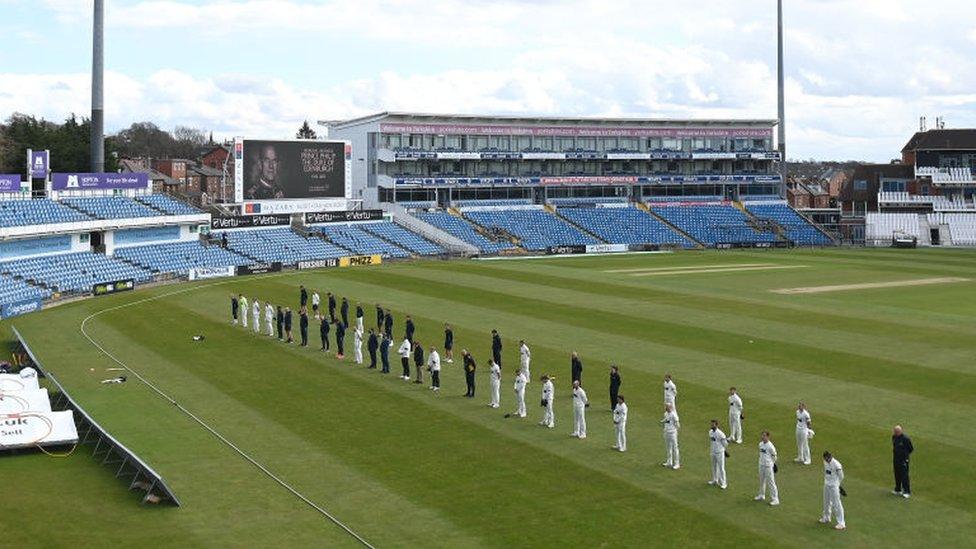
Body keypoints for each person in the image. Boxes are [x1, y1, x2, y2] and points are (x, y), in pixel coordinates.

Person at [820, 451, 846, 530]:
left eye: (827, 458)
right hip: (827, 484)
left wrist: (837, 484)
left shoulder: (837, 464)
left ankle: (841, 523)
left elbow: (841, 476)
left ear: (830, 457)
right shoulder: (825, 462)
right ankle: (826, 517)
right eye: (825, 459)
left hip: (834, 486)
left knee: (836, 503)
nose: (826, 460)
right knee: (826, 501)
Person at [755, 430, 780, 505]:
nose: (762, 437)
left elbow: (774, 457)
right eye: (762, 435)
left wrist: (772, 464)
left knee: (771, 482)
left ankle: (775, 499)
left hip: (768, 466)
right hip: (761, 464)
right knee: (761, 480)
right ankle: (761, 495)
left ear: (768, 437)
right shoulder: (760, 444)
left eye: (764, 436)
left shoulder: (770, 446)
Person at [892, 425, 914, 499]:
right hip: (896, 459)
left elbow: (911, 449)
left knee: (904, 475)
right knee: (897, 474)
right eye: (895, 432)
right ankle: (898, 489)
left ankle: (907, 491)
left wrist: (905, 456)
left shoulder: (905, 439)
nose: (896, 433)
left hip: (903, 460)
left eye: (897, 432)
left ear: (901, 431)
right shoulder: (894, 437)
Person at [708, 419, 729, 489]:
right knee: (714, 466)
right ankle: (715, 480)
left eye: (713, 424)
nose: (712, 425)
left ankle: (724, 483)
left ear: (717, 425)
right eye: (711, 424)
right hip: (713, 451)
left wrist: (724, 451)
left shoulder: (720, 434)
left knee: (721, 468)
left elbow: (725, 444)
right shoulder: (710, 432)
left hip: (719, 453)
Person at [661, 403, 680, 469]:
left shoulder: (674, 415)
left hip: (672, 433)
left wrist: (674, 430)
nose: (666, 408)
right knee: (668, 447)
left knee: (675, 447)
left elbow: (677, 424)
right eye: (665, 406)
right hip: (666, 432)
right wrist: (663, 421)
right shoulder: (665, 414)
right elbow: (666, 420)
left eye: (667, 407)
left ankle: (677, 463)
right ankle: (669, 461)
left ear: (670, 407)